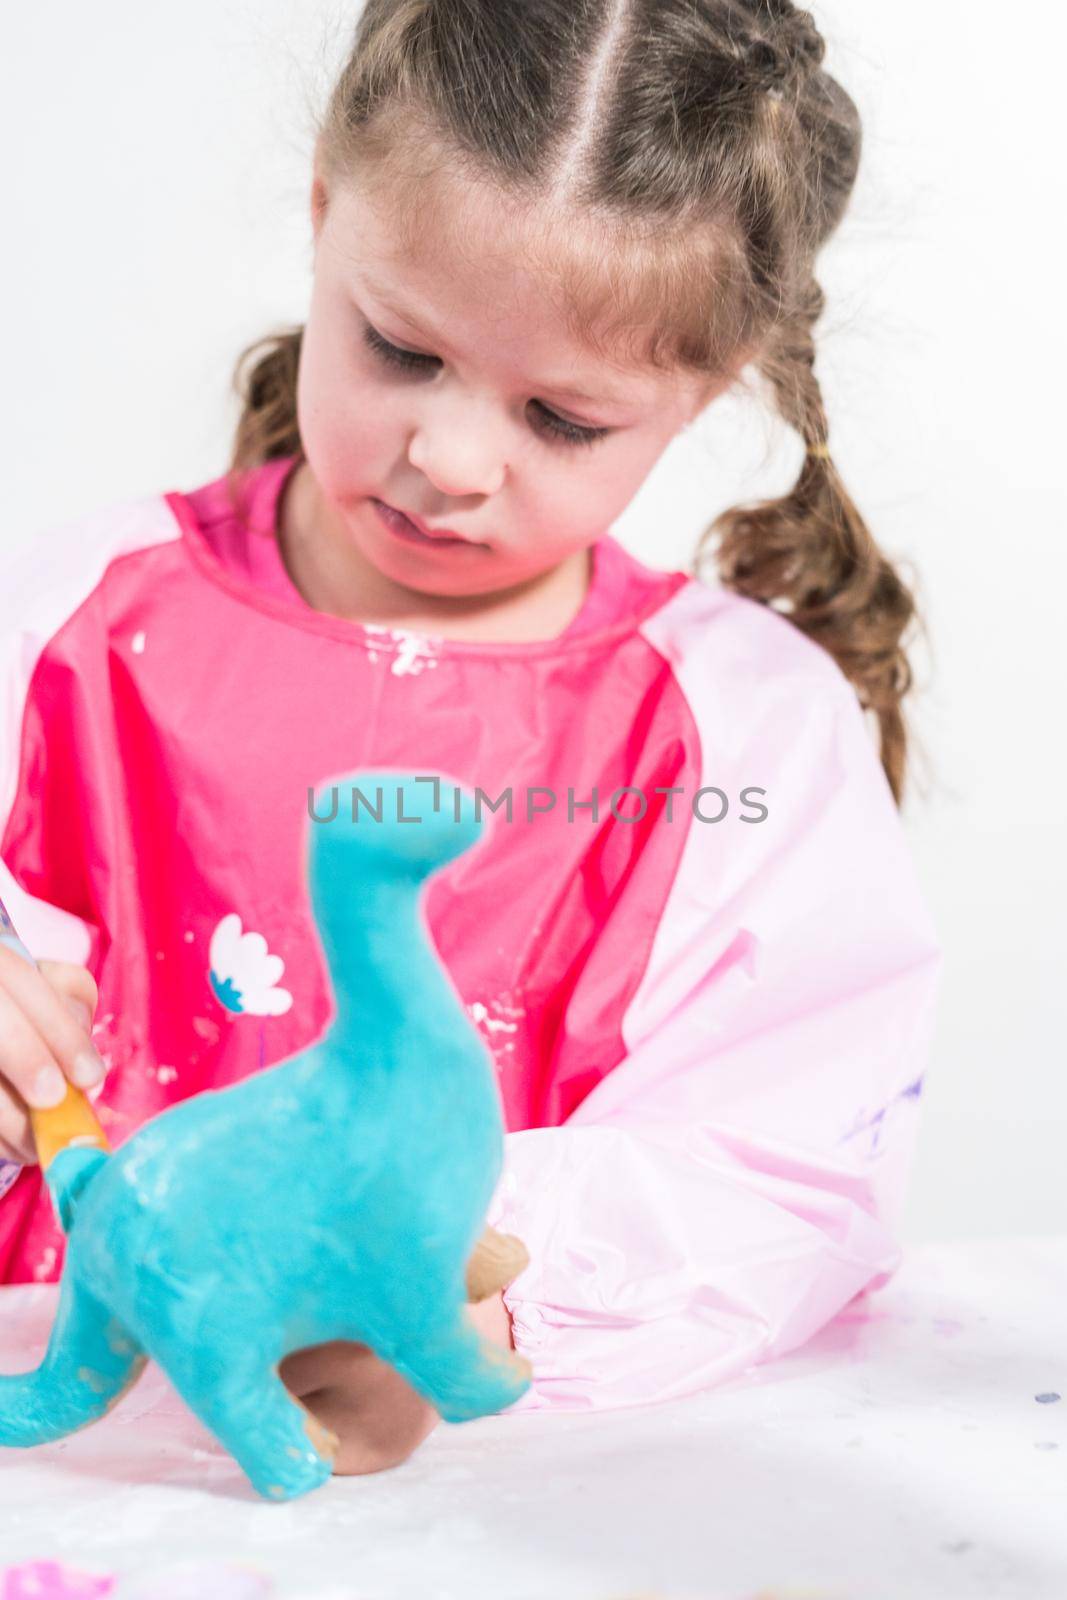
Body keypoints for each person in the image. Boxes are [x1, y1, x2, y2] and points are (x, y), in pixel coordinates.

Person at [0, 0, 942, 1474]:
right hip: (74, 1464)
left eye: (561, 419)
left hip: (512, 1500)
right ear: (325, 213)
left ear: (714, 381)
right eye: (398, 347)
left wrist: (472, 1298)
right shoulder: (61, 624)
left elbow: (787, 1168)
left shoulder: (745, 737)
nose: (449, 460)